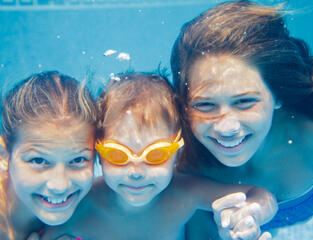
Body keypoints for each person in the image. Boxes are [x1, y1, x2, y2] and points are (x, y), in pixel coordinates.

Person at [42, 72, 276, 240]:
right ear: (98, 155)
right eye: (117, 154)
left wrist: (251, 212)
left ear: (177, 153)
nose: (136, 172)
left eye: (156, 155)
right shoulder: (82, 205)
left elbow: (260, 194)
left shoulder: (184, 194)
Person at [170, 0, 313, 238]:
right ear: (184, 106)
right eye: (205, 105)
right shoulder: (180, 166)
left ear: (278, 93)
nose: (226, 127)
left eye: (244, 102)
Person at [0, 71, 98, 240]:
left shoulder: (96, 207)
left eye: (78, 160)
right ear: (4, 153)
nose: (59, 186)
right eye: (38, 160)